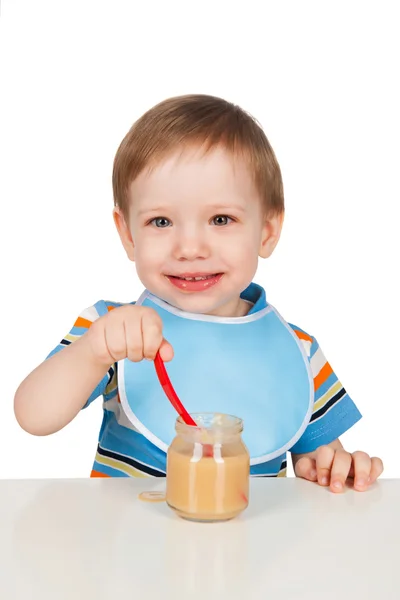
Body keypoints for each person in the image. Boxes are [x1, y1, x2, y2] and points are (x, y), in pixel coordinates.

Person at [14, 94, 383, 492]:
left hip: (252, 551)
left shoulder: (300, 351)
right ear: (128, 235)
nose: (189, 247)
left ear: (268, 231)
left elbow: (319, 463)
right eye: (161, 221)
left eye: (220, 219)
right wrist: (93, 350)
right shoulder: (112, 330)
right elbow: (33, 416)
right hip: (124, 551)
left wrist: (335, 467)